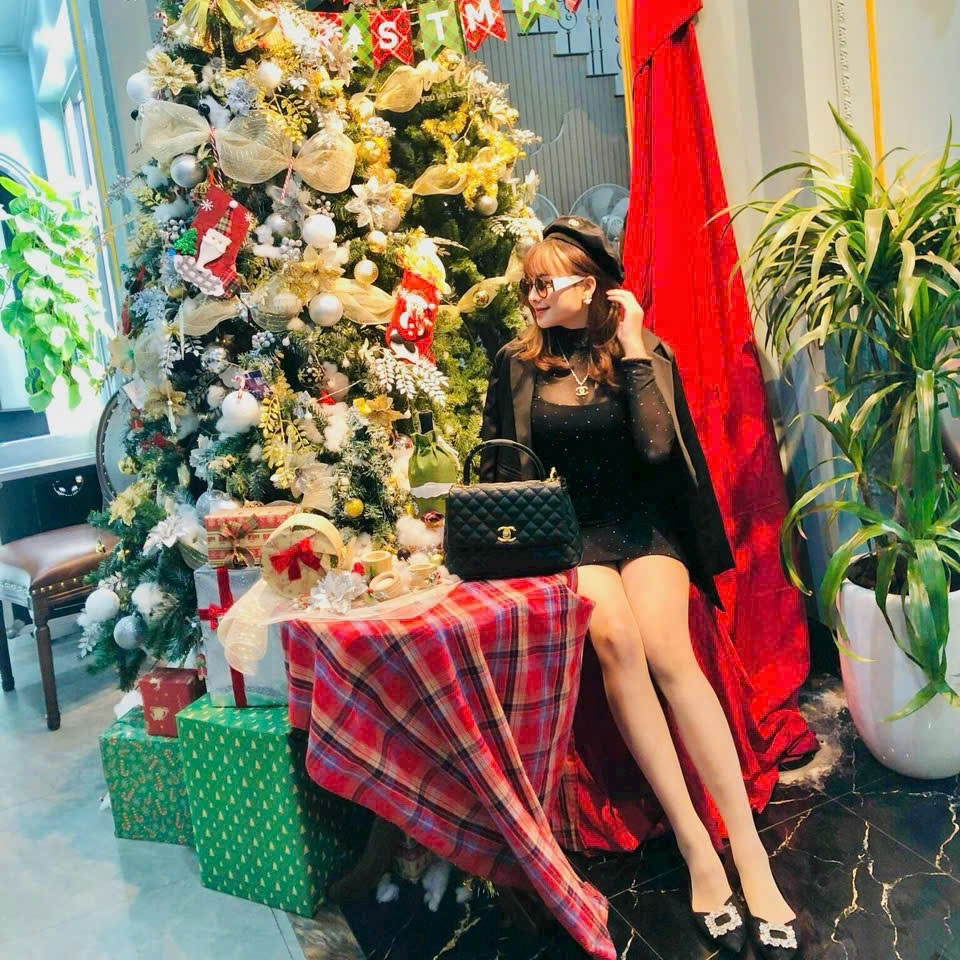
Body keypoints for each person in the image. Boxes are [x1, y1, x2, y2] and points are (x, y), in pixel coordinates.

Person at [479, 216, 800, 959]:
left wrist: (630, 345)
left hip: (644, 525)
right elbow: (501, 467)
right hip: (570, 531)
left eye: (546, 283)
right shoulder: (516, 363)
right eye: (528, 285)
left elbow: (657, 448)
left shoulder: (645, 350)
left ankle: (749, 852)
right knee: (616, 638)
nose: (533, 296)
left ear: (590, 286)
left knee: (667, 649)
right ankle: (695, 846)